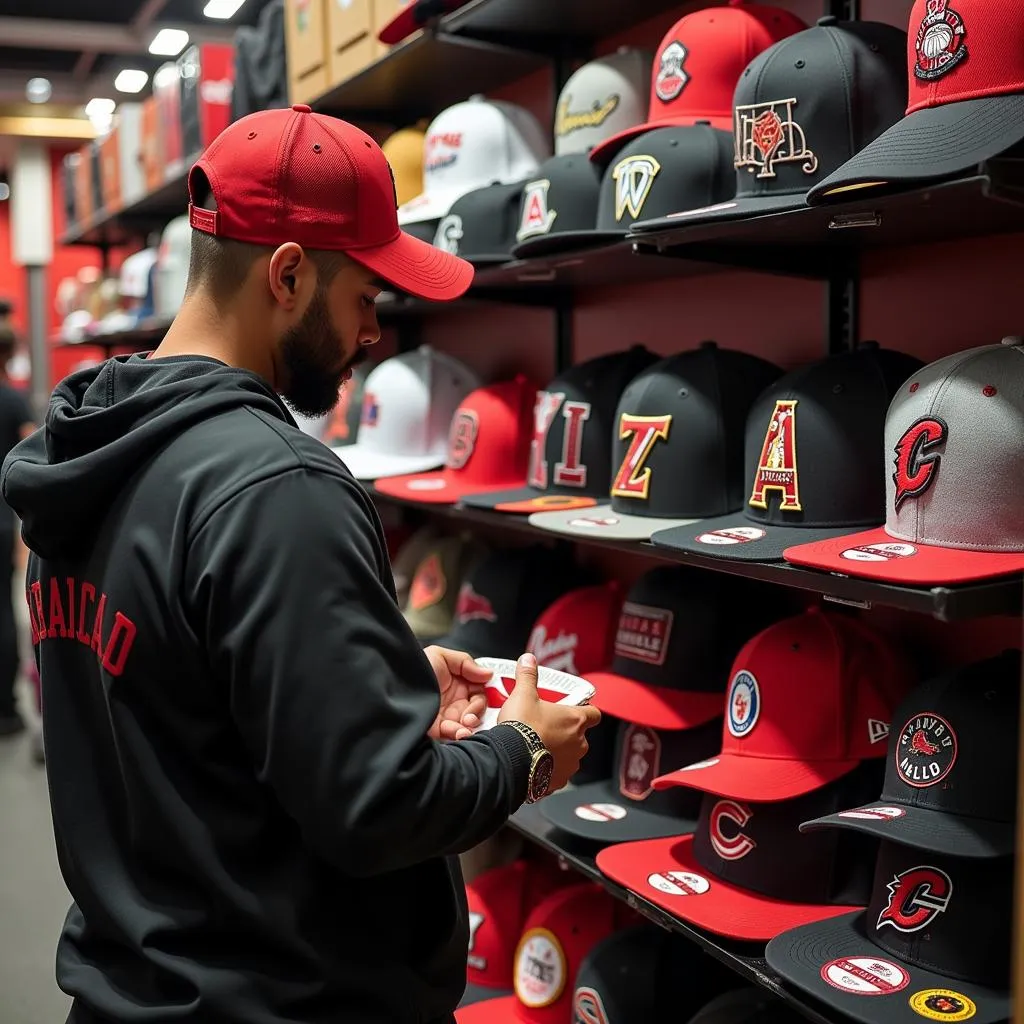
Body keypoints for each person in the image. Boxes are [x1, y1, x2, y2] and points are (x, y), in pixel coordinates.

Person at [2, 106, 600, 1024]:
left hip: (134, 988)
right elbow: (377, 812)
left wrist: (378, 684)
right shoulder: (278, 485)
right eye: (365, 298)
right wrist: (522, 752)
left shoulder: (86, 451)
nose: (373, 333)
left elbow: (185, 707)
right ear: (287, 274)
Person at [0, 323, 34, 736]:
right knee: (3, 612)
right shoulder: (13, 400)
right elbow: (31, 457)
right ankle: (6, 709)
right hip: (3, 520)